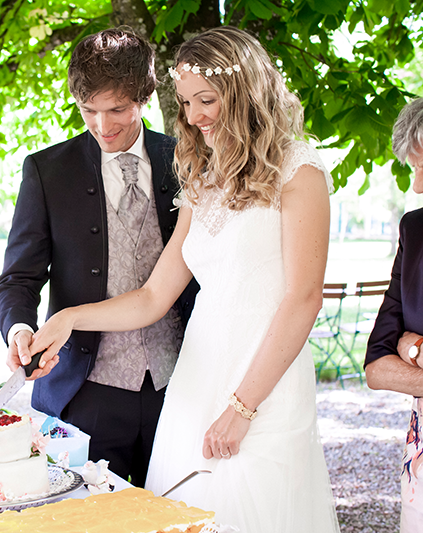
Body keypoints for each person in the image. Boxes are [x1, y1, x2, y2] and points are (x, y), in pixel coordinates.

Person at [29, 26, 340, 532]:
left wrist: (242, 407)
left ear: (244, 93)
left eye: (207, 100)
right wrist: (67, 318)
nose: (193, 117)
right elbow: (154, 295)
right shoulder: (204, 177)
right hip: (195, 381)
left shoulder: (299, 171)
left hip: (262, 383)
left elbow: (303, 300)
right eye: (187, 102)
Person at [0, 28, 199, 487]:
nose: (103, 126)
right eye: (89, 110)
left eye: (118, 110)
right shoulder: (47, 171)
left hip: (180, 387)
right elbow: (17, 279)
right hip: (82, 392)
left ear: (144, 97)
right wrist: (20, 328)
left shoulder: (189, 159)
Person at [364, 97, 423, 533]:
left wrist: (413, 346)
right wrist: (404, 345)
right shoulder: (414, 230)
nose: (418, 185)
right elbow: (377, 366)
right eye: (414, 167)